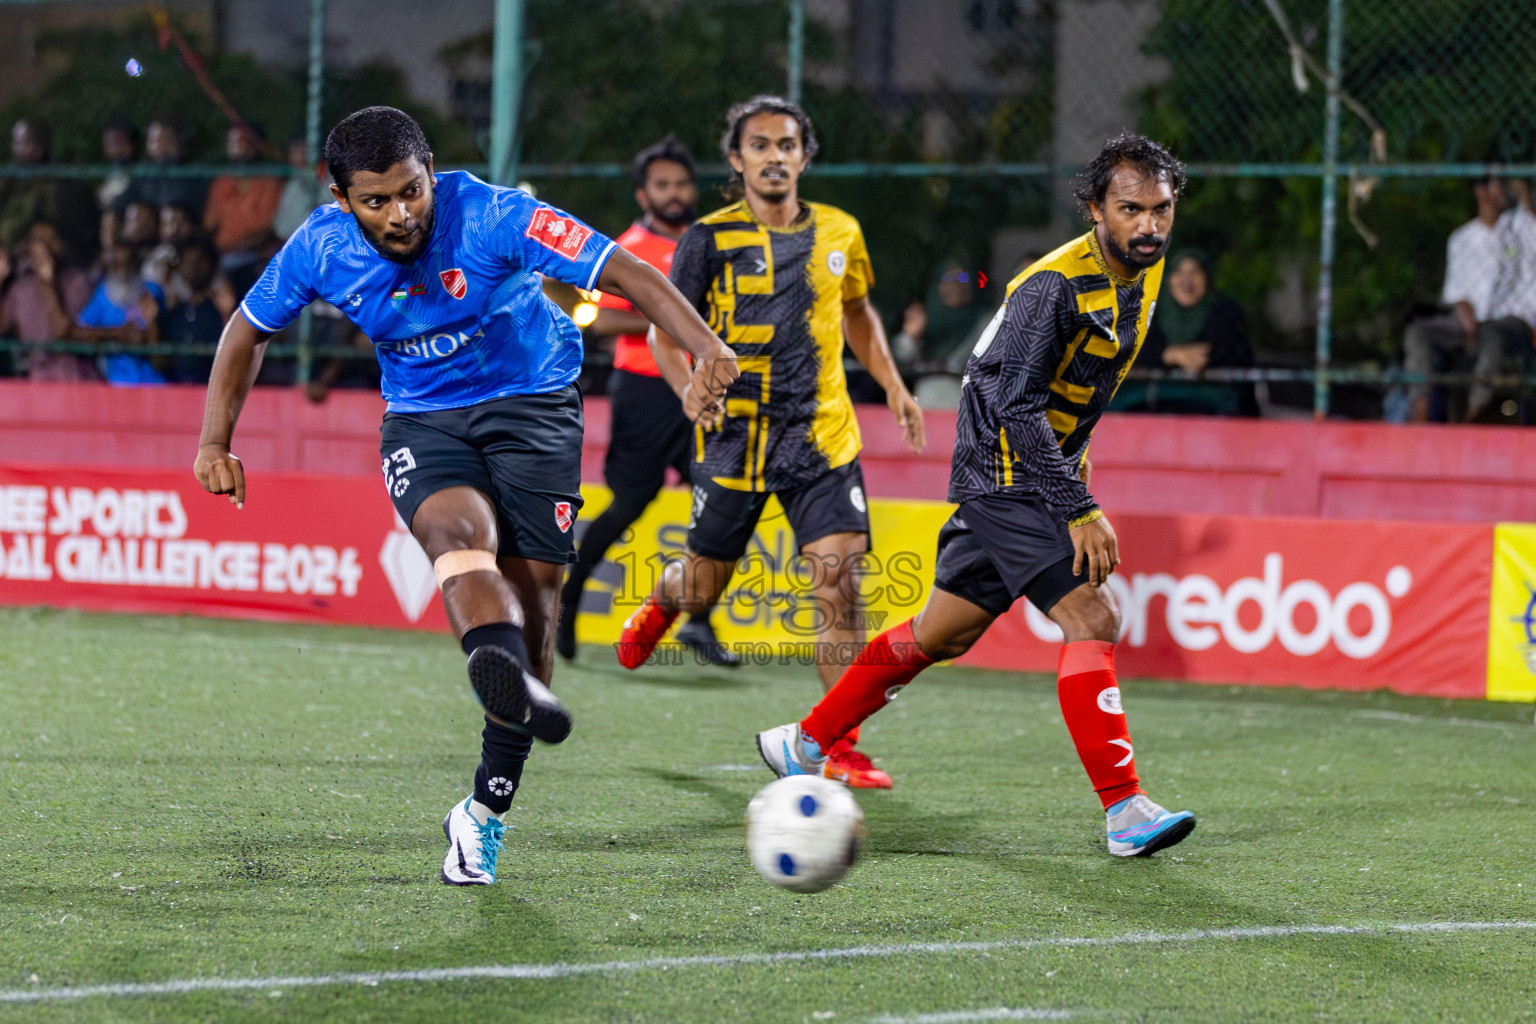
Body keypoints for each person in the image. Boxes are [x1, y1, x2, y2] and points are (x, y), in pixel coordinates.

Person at [193, 106, 738, 887]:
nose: (400, 213)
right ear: (343, 198)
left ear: (430, 172)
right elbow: (245, 331)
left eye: (411, 191)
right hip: (423, 418)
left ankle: (483, 809)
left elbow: (628, 273)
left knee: (537, 601)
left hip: (537, 400)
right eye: (375, 200)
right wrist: (215, 440)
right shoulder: (319, 244)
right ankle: (500, 665)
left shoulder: (494, 213)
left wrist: (708, 346)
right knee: (460, 534)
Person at [756, 132, 1198, 857]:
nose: (1148, 225)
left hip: (1029, 473)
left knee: (942, 632)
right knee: (1092, 616)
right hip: (1005, 475)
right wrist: (1076, 506)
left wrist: (1074, 469)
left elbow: (1071, 398)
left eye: (1161, 209)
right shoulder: (1053, 286)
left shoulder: (1139, 276)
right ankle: (1125, 813)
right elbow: (1011, 402)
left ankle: (804, 742)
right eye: (1130, 209)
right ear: (1095, 208)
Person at [618, 96, 926, 789]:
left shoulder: (842, 231)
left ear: (804, 156)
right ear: (737, 160)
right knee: (704, 584)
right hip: (735, 443)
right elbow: (661, 335)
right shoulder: (706, 239)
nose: (775, 156)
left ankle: (836, 744)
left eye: (787, 145)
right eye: (760, 145)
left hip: (821, 441)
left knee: (839, 589)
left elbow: (858, 314)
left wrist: (895, 386)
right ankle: (670, 599)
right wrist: (687, 388)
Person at [555, 135, 738, 667]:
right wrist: (674, 319)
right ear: (643, 195)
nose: (675, 193)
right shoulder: (625, 249)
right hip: (643, 389)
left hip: (702, 384)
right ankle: (568, 600)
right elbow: (601, 319)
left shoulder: (708, 242)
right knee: (632, 502)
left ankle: (698, 620)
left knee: (725, 498)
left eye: (682, 183)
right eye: (663, 185)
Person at [1402, 175, 1533, 423]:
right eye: (1498, 183)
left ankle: (1475, 415)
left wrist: (1524, 198)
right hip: (1469, 323)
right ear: (1481, 191)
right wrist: (1463, 310)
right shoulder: (1461, 239)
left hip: (1512, 322)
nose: (1504, 189)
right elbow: (1454, 293)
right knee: (1417, 333)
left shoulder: (1518, 228)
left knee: (1491, 335)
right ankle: (1419, 408)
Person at [1113, 249, 1257, 416]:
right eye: (1179, 271)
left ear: (1207, 278)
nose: (1186, 279)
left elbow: (1239, 358)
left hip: (1212, 410)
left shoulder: (1225, 313)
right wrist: (1168, 355)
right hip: (1150, 408)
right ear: (1168, 278)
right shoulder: (1148, 312)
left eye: (1195, 271)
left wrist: (1205, 360)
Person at [0, 221, 96, 380]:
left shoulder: (77, 282)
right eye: (37, 241)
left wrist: (49, 285)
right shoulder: (21, 288)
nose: (43, 249)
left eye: (49, 241)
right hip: (39, 382)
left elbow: (65, 332)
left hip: (77, 379)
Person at [203, 124, 283, 296]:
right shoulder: (222, 182)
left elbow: (266, 230)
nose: (238, 146)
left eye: (244, 141)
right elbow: (208, 226)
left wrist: (233, 249)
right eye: (233, 142)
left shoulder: (269, 181)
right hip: (221, 255)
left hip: (254, 255)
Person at [163, 234, 235, 384]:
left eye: (200, 261)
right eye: (188, 261)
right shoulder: (172, 310)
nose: (194, 267)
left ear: (211, 265)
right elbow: (160, 362)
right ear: (179, 265)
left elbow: (231, 362)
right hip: (170, 392)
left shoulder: (221, 309)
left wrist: (227, 316)